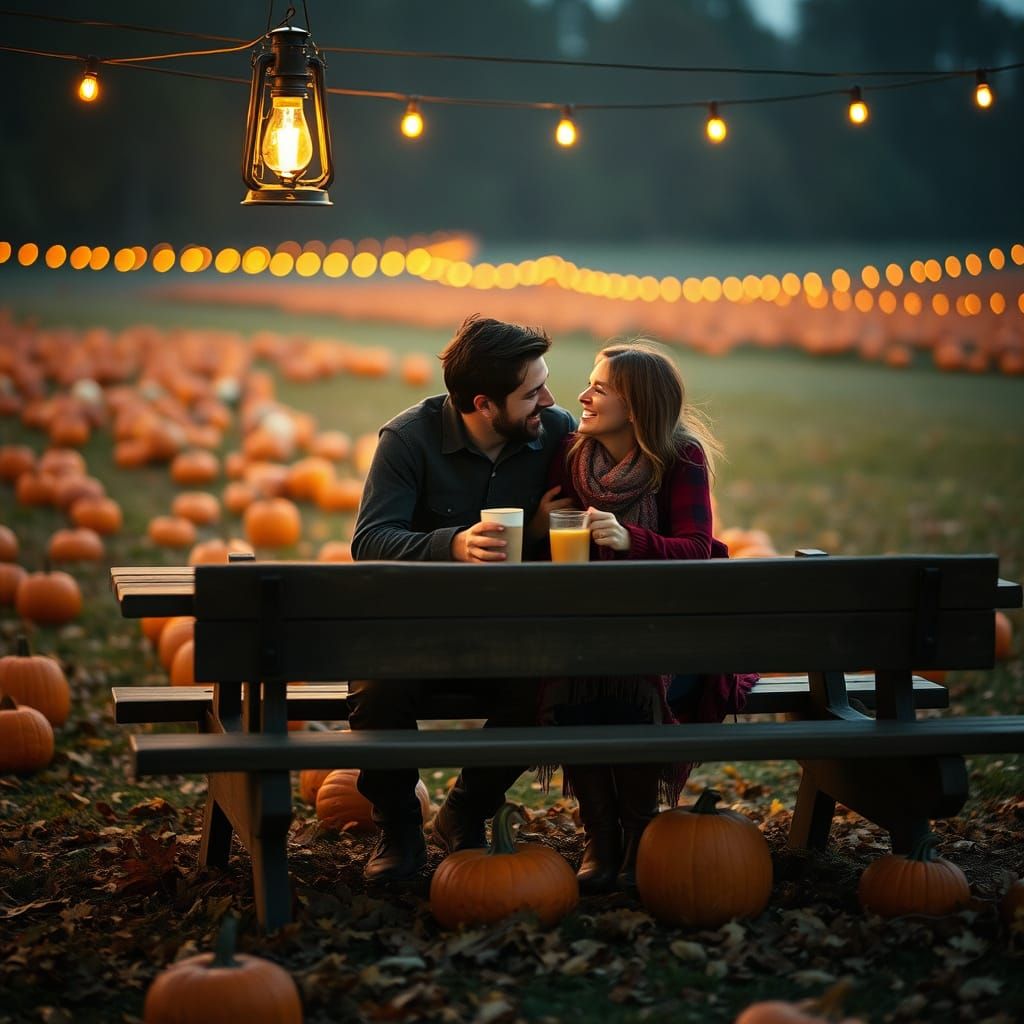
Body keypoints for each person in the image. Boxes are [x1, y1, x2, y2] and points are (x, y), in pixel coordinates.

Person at [349, 314, 576, 881]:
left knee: (551, 682)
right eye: (531, 392)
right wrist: (453, 543)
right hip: (419, 633)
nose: (548, 399)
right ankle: (399, 826)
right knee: (378, 685)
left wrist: (547, 529)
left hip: (510, 634)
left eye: (544, 383)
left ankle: (465, 809)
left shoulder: (555, 432)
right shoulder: (409, 439)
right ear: (483, 403)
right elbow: (370, 540)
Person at [542, 340, 756, 893]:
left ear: (635, 407)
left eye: (600, 388)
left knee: (632, 677)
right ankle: (600, 837)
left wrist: (629, 538)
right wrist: (543, 525)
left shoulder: (681, 459)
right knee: (577, 677)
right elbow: (553, 556)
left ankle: (637, 834)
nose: (583, 396)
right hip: (588, 633)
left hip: (667, 640)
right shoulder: (570, 455)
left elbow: (697, 549)